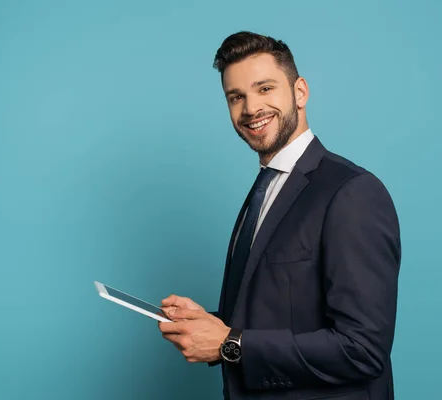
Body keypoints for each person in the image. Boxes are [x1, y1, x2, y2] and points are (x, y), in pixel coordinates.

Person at [157, 31, 401, 400]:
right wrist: (211, 324)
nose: (251, 108)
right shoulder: (265, 189)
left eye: (265, 88)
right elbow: (277, 314)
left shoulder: (352, 192)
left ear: (299, 92)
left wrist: (229, 343)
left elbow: (363, 350)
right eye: (236, 97)